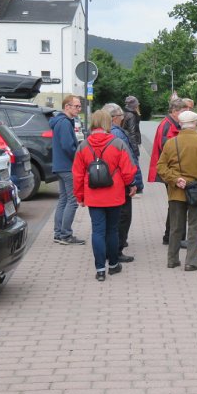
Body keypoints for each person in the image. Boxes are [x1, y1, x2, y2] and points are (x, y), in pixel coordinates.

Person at [72, 109, 137, 282]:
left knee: (98, 231)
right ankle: (114, 264)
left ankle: (100, 269)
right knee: (113, 230)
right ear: (108, 122)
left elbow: (77, 174)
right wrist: (131, 184)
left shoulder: (83, 146)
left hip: (93, 196)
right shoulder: (117, 143)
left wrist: (80, 196)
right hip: (114, 195)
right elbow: (128, 170)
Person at [157, 110, 197, 271]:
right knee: (195, 226)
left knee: (176, 227)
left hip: (176, 191)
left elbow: (160, 167)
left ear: (180, 124)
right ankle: (191, 261)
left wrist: (174, 178)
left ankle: (172, 259)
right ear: (196, 124)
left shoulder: (171, 143)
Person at [103, 102, 143, 263]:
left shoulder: (104, 132)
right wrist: (134, 182)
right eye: (120, 116)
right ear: (114, 118)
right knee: (123, 216)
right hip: (120, 182)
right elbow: (128, 160)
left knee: (113, 218)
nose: (122, 119)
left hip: (109, 182)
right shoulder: (117, 134)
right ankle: (117, 250)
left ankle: (112, 247)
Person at [149, 97, 186, 244]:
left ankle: (170, 236)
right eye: (184, 111)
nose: (185, 114)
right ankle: (173, 237)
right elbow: (168, 150)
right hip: (170, 172)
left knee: (175, 204)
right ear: (175, 112)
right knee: (176, 204)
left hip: (170, 171)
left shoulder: (170, 123)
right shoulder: (167, 126)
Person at [50, 94, 85, 245]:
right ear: (67, 107)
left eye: (79, 106)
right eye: (76, 106)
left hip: (59, 166)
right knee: (72, 200)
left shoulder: (60, 121)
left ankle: (58, 233)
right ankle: (65, 235)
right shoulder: (64, 123)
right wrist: (79, 158)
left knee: (63, 200)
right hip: (67, 167)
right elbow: (67, 146)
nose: (79, 109)